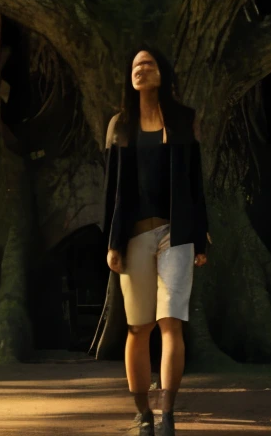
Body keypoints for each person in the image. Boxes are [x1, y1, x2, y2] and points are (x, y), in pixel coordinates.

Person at [101, 45, 210, 436]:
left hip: (176, 234)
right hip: (133, 236)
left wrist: (200, 239)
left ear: (162, 73)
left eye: (147, 64)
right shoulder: (120, 125)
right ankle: (142, 413)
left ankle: (167, 414)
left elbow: (195, 184)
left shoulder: (183, 121)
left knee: (170, 321)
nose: (140, 70)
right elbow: (112, 188)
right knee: (138, 327)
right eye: (135, 66)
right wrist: (112, 242)